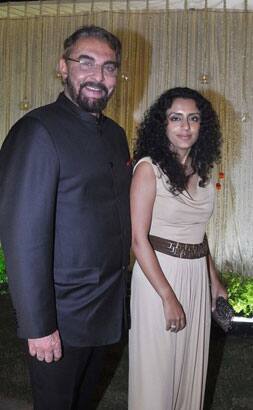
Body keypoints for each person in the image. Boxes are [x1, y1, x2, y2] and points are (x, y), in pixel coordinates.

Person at [0, 25, 131, 410]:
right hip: (61, 315)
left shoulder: (116, 135)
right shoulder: (37, 131)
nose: (98, 76)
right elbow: (22, 237)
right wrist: (39, 327)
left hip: (105, 310)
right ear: (63, 67)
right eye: (85, 62)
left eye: (109, 67)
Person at [128, 87, 227, 410]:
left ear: (203, 126)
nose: (185, 126)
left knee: (190, 370)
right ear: (163, 125)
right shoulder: (148, 169)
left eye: (193, 119)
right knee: (157, 376)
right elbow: (138, 239)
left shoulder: (202, 175)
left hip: (196, 277)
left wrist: (213, 281)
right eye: (176, 118)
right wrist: (168, 297)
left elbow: (199, 234)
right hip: (158, 276)